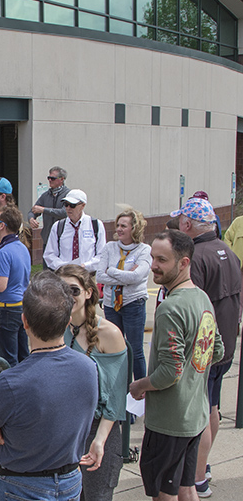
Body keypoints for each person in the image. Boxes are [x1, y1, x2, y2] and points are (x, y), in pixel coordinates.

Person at [0, 271, 98, 501]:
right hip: (70, 480)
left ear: (24, 322)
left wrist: (5, 430)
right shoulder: (89, 368)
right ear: (68, 320)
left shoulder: (10, 383)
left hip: (22, 484)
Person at [130, 230, 224, 501]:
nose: (154, 266)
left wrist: (140, 385)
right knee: (186, 487)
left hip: (169, 422)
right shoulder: (202, 297)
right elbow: (216, 350)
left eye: (162, 260)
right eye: (152, 258)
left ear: (183, 263)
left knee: (164, 493)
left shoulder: (171, 308)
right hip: (195, 415)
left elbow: (170, 372)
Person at [172, 197, 241, 497]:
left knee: (200, 413)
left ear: (187, 224)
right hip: (224, 347)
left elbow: (192, 309)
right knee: (212, 406)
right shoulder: (227, 251)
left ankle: (198, 477)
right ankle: (203, 467)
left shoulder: (196, 257)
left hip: (204, 352)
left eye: (180, 221)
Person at [58, 264, 127, 501]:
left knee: (96, 496)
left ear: (89, 292)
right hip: (64, 429)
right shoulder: (53, 328)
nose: (68, 297)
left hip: (99, 429)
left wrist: (99, 440)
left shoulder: (110, 333)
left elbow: (116, 397)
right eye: (61, 291)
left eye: (74, 291)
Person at [95, 208, 152, 382]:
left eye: (124, 226)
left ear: (134, 228)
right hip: (112, 305)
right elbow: (99, 276)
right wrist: (124, 275)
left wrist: (111, 271)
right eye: (118, 225)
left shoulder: (144, 250)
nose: (118, 229)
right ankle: (120, 387)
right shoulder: (110, 247)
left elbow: (137, 277)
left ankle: (140, 391)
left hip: (133, 303)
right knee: (115, 348)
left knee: (135, 349)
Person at [0, 206, 31, 367]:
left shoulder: (4, 252)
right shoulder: (22, 248)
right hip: (20, 307)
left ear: (2, 225)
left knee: (5, 360)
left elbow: (0, 285)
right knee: (22, 355)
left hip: (5, 310)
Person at [43, 189, 106, 273]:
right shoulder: (58, 226)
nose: (68, 208)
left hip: (88, 275)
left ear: (82, 206)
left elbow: (102, 255)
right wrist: (65, 267)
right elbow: (49, 254)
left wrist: (86, 266)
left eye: (72, 205)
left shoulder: (96, 225)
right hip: (64, 275)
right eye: (66, 205)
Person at [28, 166, 70, 266]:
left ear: (62, 179)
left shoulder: (68, 195)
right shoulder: (45, 195)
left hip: (62, 240)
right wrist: (31, 218)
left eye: (53, 178)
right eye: (49, 178)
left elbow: (64, 213)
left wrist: (44, 210)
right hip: (47, 239)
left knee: (61, 270)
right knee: (47, 270)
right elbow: (33, 210)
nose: (50, 180)